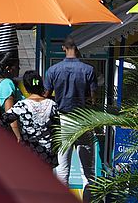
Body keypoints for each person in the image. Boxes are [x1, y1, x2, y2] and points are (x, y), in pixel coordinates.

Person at [43, 36, 98, 202]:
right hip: (83, 120)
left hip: (63, 121)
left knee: (62, 170)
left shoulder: (53, 70)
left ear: (63, 49)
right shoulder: (88, 70)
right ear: (78, 48)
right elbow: (94, 98)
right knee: (88, 172)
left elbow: (46, 95)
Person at [0, 70, 59, 170]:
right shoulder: (52, 105)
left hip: (29, 153)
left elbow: (3, 121)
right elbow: (57, 129)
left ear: (26, 89)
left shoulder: (22, 105)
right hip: (48, 154)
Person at [0, 52, 23, 137]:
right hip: (10, 132)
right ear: (8, 68)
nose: (19, 68)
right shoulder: (7, 84)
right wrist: (18, 136)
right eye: (16, 66)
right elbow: (10, 113)